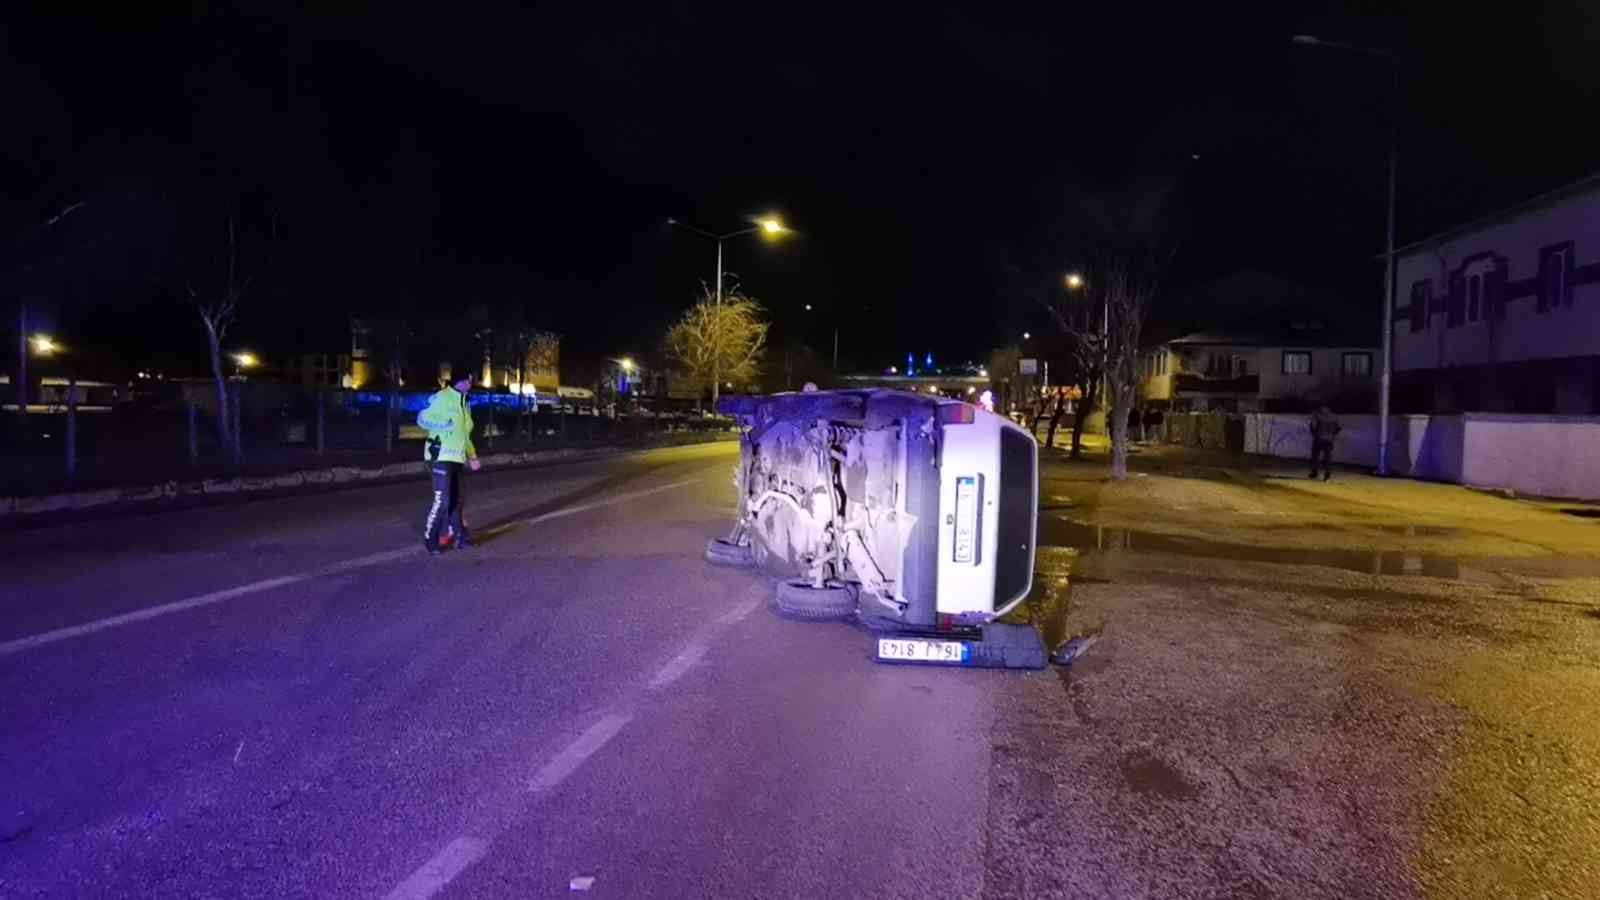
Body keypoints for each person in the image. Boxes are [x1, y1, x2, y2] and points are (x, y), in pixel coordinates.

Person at [418, 366, 482, 554]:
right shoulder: (442, 397)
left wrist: (473, 456)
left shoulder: (464, 403)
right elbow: (422, 418)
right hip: (440, 457)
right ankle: (431, 541)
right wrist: (442, 425)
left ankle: (461, 538)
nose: (472, 384)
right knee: (443, 501)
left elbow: (465, 436)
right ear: (461, 381)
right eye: (470, 380)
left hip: (457, 458)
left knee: (458, 500)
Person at [1308, 405, 1342, 481]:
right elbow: (1339, 427)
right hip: (1329, 440)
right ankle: (1327, 473)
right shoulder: (1334, 416)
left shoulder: (1316, 415)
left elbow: (1313, 426)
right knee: (1328, 457)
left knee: (1315, 456)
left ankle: (1314, 472)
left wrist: (1314, 434)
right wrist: (1332, 434)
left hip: (1318, 439)